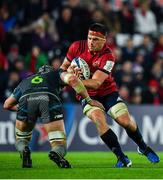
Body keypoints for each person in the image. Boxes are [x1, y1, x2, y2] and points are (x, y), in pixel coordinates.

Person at [60, 23, 160, 167]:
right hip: (88, 96)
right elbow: (62, 68)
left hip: (108, 93)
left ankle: (143, 147)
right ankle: (121, 157)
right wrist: (66, 75)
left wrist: (74, 80)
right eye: (89, 38)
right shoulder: (76, 47)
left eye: (95, 39)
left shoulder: (108, 57)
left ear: (103, 40)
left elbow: (96, 83)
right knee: (99, 120)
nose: (91, 42)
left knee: (125, 121)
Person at [3, 64, 104, 168]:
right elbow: (73, 79)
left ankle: (24, 149)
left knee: (21, 139)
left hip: (26, 100)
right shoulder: (56, 73)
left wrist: (25, 110)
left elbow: (7, 104)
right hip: (48, 98)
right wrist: (88, 100)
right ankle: (56, 153)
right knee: (59, 144)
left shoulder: (26, 80)